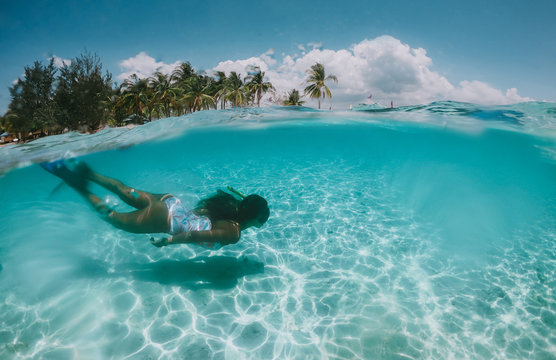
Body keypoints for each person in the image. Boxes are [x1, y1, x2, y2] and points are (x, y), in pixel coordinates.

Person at [41, 160, 270, 249]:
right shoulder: (233, 232)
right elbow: (193, 236)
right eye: (263, 220)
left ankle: (89, 173)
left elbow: (201, 217)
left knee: (125, 190)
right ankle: (76, 184)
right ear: (255, 219)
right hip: (164, 220)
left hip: (169, 202)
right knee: (114, 219)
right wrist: (166, 241)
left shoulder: (230, 205)